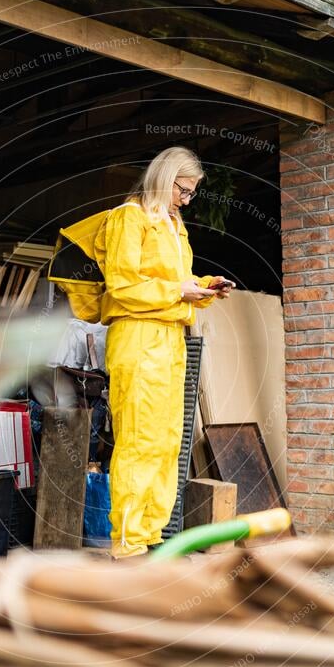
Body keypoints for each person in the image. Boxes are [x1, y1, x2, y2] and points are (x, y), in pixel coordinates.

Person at [94, 147, 233, 558]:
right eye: (184, 190)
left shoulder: (174, 224)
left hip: (171, 338)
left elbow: (177, 280)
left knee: (168, 439)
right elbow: (122, 286)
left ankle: (152, 535)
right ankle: (128, 542)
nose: (187, 200)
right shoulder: (128, 218)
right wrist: (179, 291)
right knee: (138, 439)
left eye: (191, 194)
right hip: (137, 337)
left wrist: (205, 285)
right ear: (164, 178)